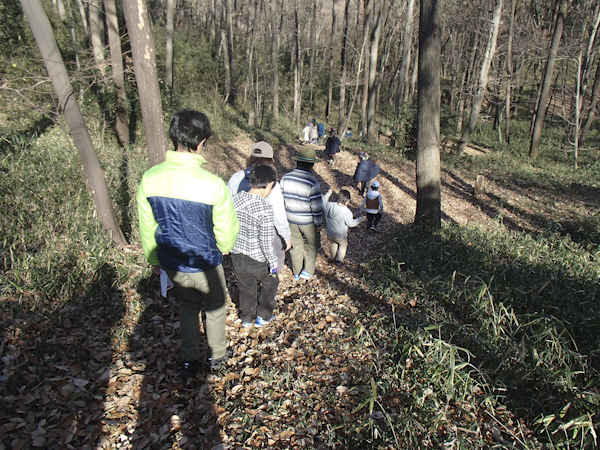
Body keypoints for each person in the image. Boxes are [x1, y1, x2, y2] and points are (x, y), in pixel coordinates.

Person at [137, 109, 240, 379]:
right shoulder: (214, 184)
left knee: (187, 307)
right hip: (207, 262)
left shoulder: (150, 178)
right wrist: (225, 245)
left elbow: (148, 226)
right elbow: (226, 228)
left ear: (175, 137)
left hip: (173, 262)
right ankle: (217, 358)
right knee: (216, 309)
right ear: (202, 142)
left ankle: (189, 361)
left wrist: (154, 259)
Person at [227, 141, 292, 273]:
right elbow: (278, 214)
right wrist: (286, 235)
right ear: (270, 161)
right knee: (278, 255)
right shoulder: (271, 184)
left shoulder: (236, 177)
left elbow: (227, 206)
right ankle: (269, 284)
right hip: (265, 230)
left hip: (239, 229)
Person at [230, 165, 279, 328]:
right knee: (271, 283)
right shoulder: (264, 209)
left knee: (246, 287)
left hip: (237, 254)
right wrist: (273, 263)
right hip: (257, 259)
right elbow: (266, 242)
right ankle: (263, 316)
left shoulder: (234, 200)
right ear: (270, 184)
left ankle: (246, 318)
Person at [280, 146, 323, 280]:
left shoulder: (285, 178)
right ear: (312, 165)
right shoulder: (313, 182)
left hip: (290, 219)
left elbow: (281, 200)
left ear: (297, 162)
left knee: (296, 246)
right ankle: (308, 271)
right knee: (313, 245)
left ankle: (297, 272)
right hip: (308, 222)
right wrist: (319, 223)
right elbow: (316, 207)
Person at [323, 188, 365, 265]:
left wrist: (328, 194)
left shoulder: (329, 205)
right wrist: (360, 219)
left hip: (330, 233)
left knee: (333, 244)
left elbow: (323, 203)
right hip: (341, 235)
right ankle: (339, 260)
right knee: (343, 245)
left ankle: (332, 258)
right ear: (347, 201)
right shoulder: (347, 212)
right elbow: (351, 224)